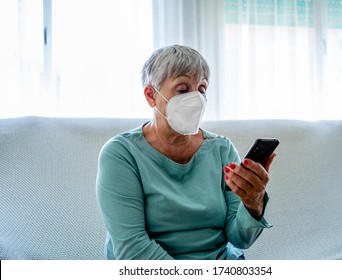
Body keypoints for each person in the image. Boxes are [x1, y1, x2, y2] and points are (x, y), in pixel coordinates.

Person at [96, 45, 276, 260]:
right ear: (151, 95)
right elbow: (132, 248)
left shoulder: (221, 149)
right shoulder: (121, 154)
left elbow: (240, 240)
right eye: (183, 89)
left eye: (201, 89)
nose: (196, 99)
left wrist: (253, 203)